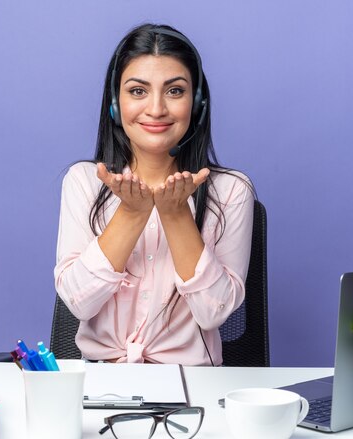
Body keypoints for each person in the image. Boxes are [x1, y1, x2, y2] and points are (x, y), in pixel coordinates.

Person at [54, 23, 255, 366]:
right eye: (138, 91)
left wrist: (176, 214)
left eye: (175, 91)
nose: (157, 108)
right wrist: (132, 214)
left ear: (198, 104)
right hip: (102, 382)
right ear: (115, 104)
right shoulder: (84, 181)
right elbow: (78, 303)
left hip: (193, 386)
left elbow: (213, 313)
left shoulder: (231, 190)